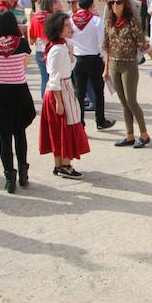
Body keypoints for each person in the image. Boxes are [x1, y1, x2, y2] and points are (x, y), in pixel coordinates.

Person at [0, 10, 36, 193]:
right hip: (20, 93)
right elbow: (25, 65)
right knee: (20, 133)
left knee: (4, 138)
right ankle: (23, 173)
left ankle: (9, 178)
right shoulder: (23, 45)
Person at [103, 0, 152, 148]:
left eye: (118, 2)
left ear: (125, 5)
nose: (115, 5)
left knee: (131, 101)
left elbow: (143, 43)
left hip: (129, 64)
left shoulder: (132, 21)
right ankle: (129, 135)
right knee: (123, 102)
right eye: (112, 3)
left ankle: (144, 134)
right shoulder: (109, 22)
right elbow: (107, 46)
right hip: (114, 64)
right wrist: (106, 68)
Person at [39, 11, 90, 179]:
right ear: (58, 29)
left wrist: (70, 53)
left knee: (59, 128)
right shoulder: (57, 49)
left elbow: (66, 68)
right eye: (66, 26)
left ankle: (59, 164)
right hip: (59, 91)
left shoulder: (59, 46)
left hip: (61, 88)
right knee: (65, 128)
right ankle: (66, 165)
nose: (70, 28)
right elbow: (54, 77)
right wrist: (59, 102)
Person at [69, 0, 114, 130]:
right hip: (94, 59)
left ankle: (80, 122)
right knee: (98, 92)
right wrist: (103, 58)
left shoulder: (71, 20)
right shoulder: (96, 20)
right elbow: (102, 42)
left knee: (79, 93)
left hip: (78, 59)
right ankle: (100, 121)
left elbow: (68, 40)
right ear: (92, 4)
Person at [28, 0, 54, 98]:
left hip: (39, 50)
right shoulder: (53, 18)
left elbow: (31, 39)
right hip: (52, 50)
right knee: (54, 79)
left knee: (44, 78)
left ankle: (45, 102)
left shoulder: (34, 18)